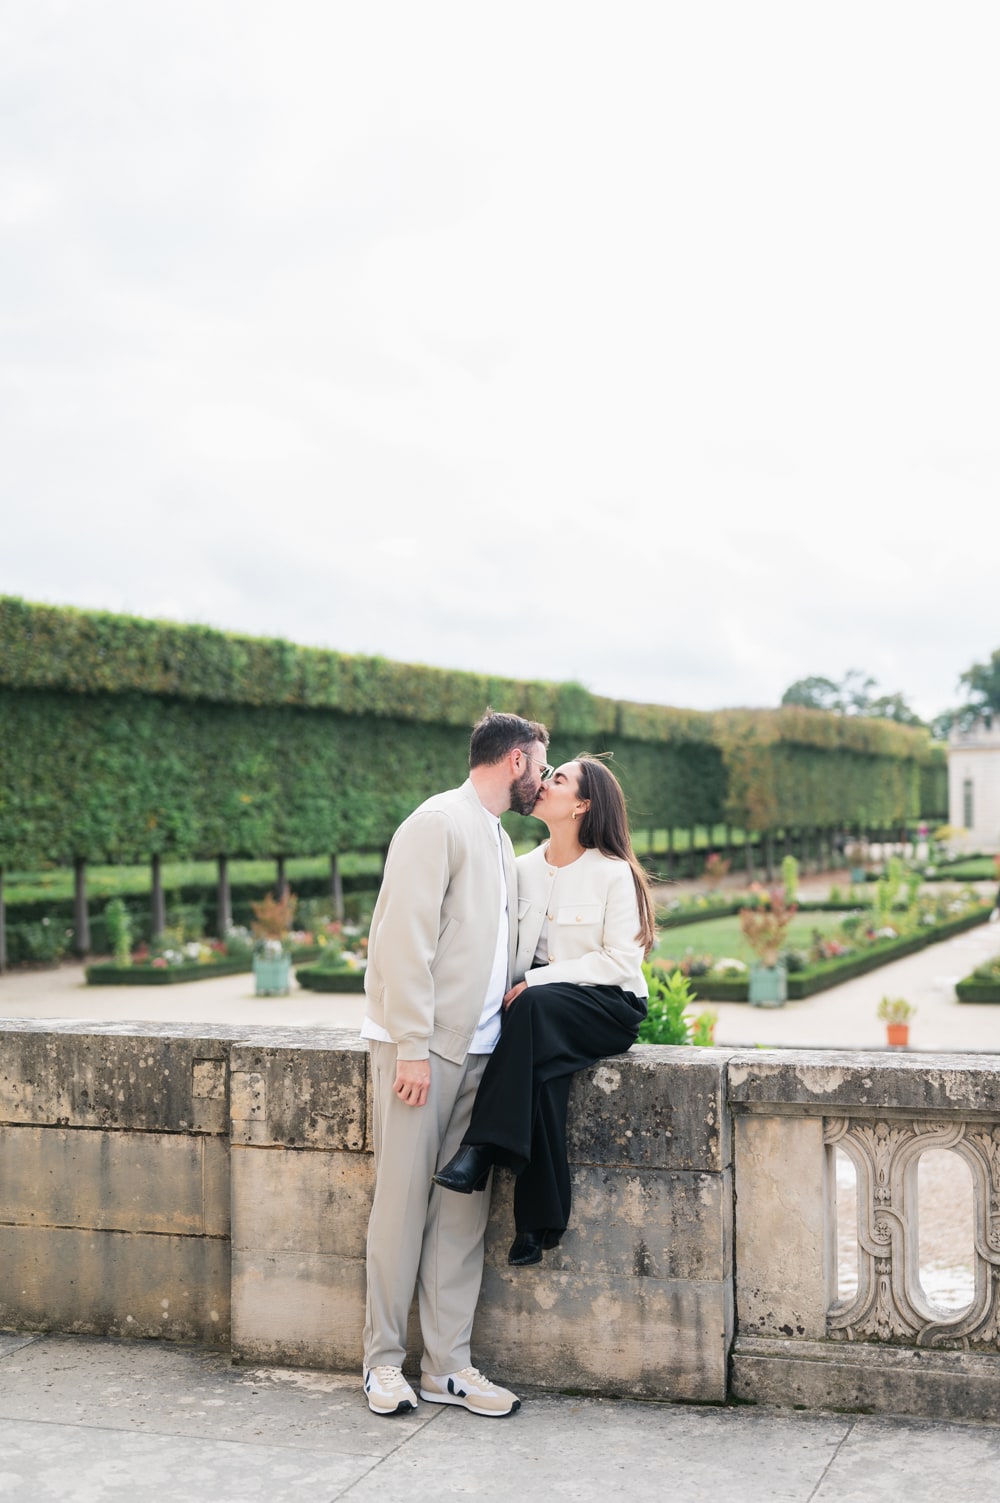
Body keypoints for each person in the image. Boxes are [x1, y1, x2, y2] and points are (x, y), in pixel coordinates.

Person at [360, 709, 551, 1418]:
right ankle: (381, 1363)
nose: (545, 775)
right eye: (542, 761)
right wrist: (411, 1044)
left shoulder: (499, 837)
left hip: (480, 1053)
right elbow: (401, 939)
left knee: (461, 1217)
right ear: (513, 761)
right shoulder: (436, 822)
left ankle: (449, 1366)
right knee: (401, 1208)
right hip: (424, 1051)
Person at [433, 754, 653, 1267]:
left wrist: (536, 978)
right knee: (543, 1078)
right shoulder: (521, 869)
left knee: (533, 1009)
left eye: (558, 779)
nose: (544, 782)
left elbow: (621, 961)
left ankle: (481, 1149)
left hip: (606, 1004)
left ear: (582, 804)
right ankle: (537, 1226)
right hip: (536, 1011)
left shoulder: (613, 873)